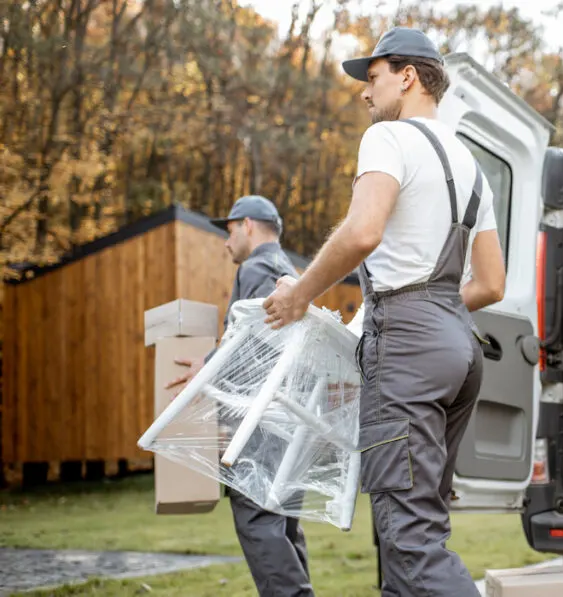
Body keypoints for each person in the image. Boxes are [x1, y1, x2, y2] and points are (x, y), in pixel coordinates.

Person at [261, 27, 507, 597]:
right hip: (458, 347)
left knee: (410, 540)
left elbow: (364, 231)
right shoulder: (471, 164)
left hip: (409, 349)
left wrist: (301, 291)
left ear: (409, 76)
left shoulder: (388, 139)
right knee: (412, 531)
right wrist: (430, 308)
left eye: (372, 78)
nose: (365, 93)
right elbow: (491, 284)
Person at [165, 195, 316, 597]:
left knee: (256, 519)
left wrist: (210, 366)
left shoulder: (258, 267)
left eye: (228, 230)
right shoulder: (287, 270)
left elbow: (256, 338)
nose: (224, 241)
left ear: (248, 225)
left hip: (261, 420)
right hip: (288, 420)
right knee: (282, 523)